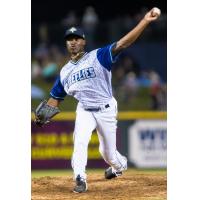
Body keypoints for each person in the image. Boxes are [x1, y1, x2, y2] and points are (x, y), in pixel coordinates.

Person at [34, 8, 160, 193]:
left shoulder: (98, 56)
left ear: (83, 41)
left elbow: (124, 43)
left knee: (108, 154)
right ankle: (80, 178)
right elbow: (55, 98)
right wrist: (43, 116)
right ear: (66, 44)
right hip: (84, 109)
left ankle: (119, 167)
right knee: (80, 142)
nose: (73, 42)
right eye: (70, 40)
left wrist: (144, 21)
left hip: (106, 108)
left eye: (77, 38)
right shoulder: (64, 72)